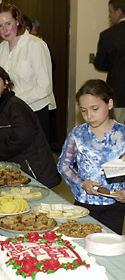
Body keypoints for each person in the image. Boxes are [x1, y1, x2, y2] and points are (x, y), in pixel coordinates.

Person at [57, 79, 125, 234]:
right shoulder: (78, 134)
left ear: (109, 104)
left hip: (114, 207)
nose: (89, 116)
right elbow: (63, 165)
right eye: (83, 110)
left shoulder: (123, 134)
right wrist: (81, 183)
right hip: (84, 205)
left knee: (109, 246)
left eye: (95, 109)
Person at [0, 65, 60, 188]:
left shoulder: (15, 106)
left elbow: (21, 138)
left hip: (34, 170)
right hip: (17, 168)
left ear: (5, 84)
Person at [0, 3, 56, 142]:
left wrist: (12, 102)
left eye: (8, 23)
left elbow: (45, 87)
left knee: (35, 161)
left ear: (18, 21)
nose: (5, 30)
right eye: (0, 26)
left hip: (35, 113)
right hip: (9, 116)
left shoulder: (36, 46)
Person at [93, 0, 125, 124]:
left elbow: (99, 64)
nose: (109, 16)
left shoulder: (108, 35)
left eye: (110, 12)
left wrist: (114, 65)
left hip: (118, 92)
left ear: (119, 12)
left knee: (117, 133)